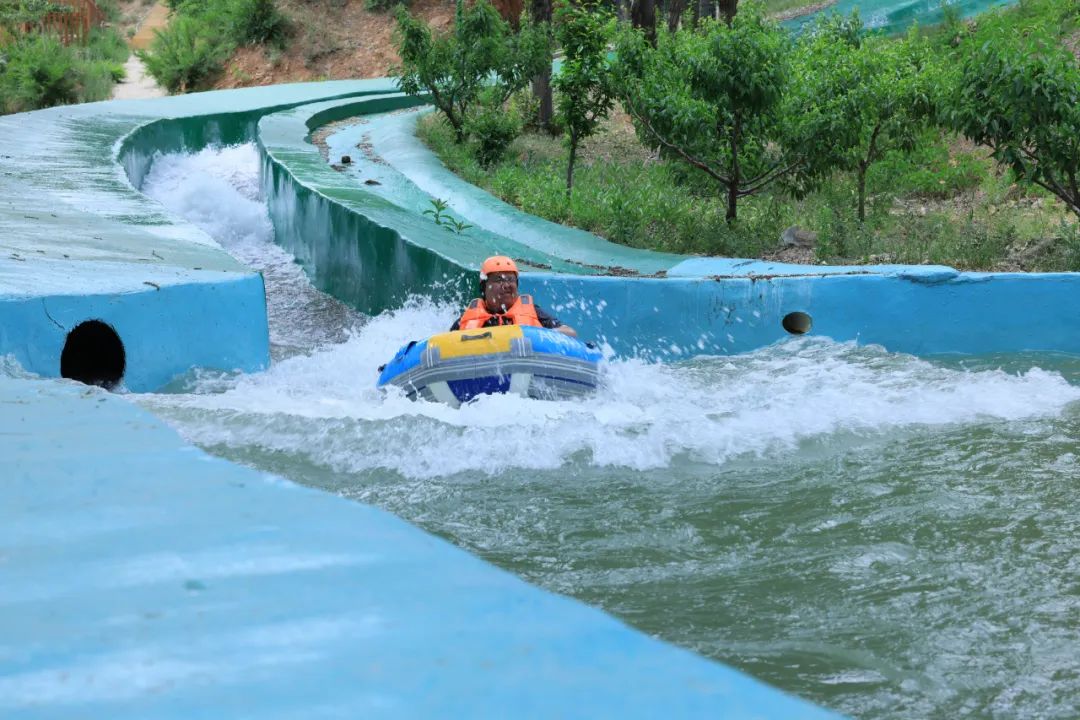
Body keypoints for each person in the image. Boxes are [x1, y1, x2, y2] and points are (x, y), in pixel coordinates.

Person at [450, 256, 578, 337]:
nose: (506, 285)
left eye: (510, 279)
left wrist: (540, 335)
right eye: (499, 280)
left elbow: (570, 332)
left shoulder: (533, 311)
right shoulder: (469, 317)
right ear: (484, 286)